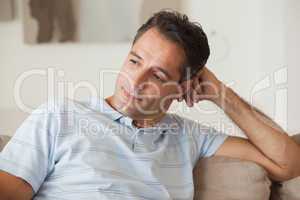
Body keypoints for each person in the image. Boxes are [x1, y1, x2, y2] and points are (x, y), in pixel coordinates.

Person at [0, 10, 299, 200]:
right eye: (134, 61)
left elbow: (288, 163)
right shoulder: (59, 115)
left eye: (157, 74)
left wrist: (221, 93)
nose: (135, 80)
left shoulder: (189, 136)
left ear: (182, 87)